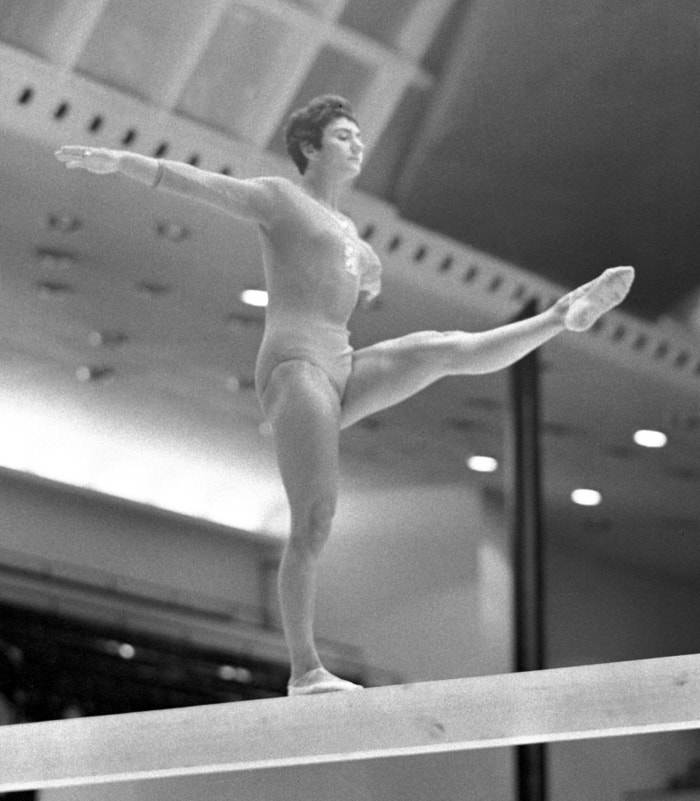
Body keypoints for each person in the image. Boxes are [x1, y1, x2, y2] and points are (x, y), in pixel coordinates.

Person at [55, 95, 634, 697]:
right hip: (295, 363)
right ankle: (304, 669)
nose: (357, 145)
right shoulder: (281, 199)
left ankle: (562, 316)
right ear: (310, 148)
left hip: (341, 361)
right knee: (315, 518)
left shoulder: (351, 232)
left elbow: (360, 269)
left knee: (440, 347)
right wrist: (121, 162)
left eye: (359, 137)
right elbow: (204, 185)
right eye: (342, 136)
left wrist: (370, 265)